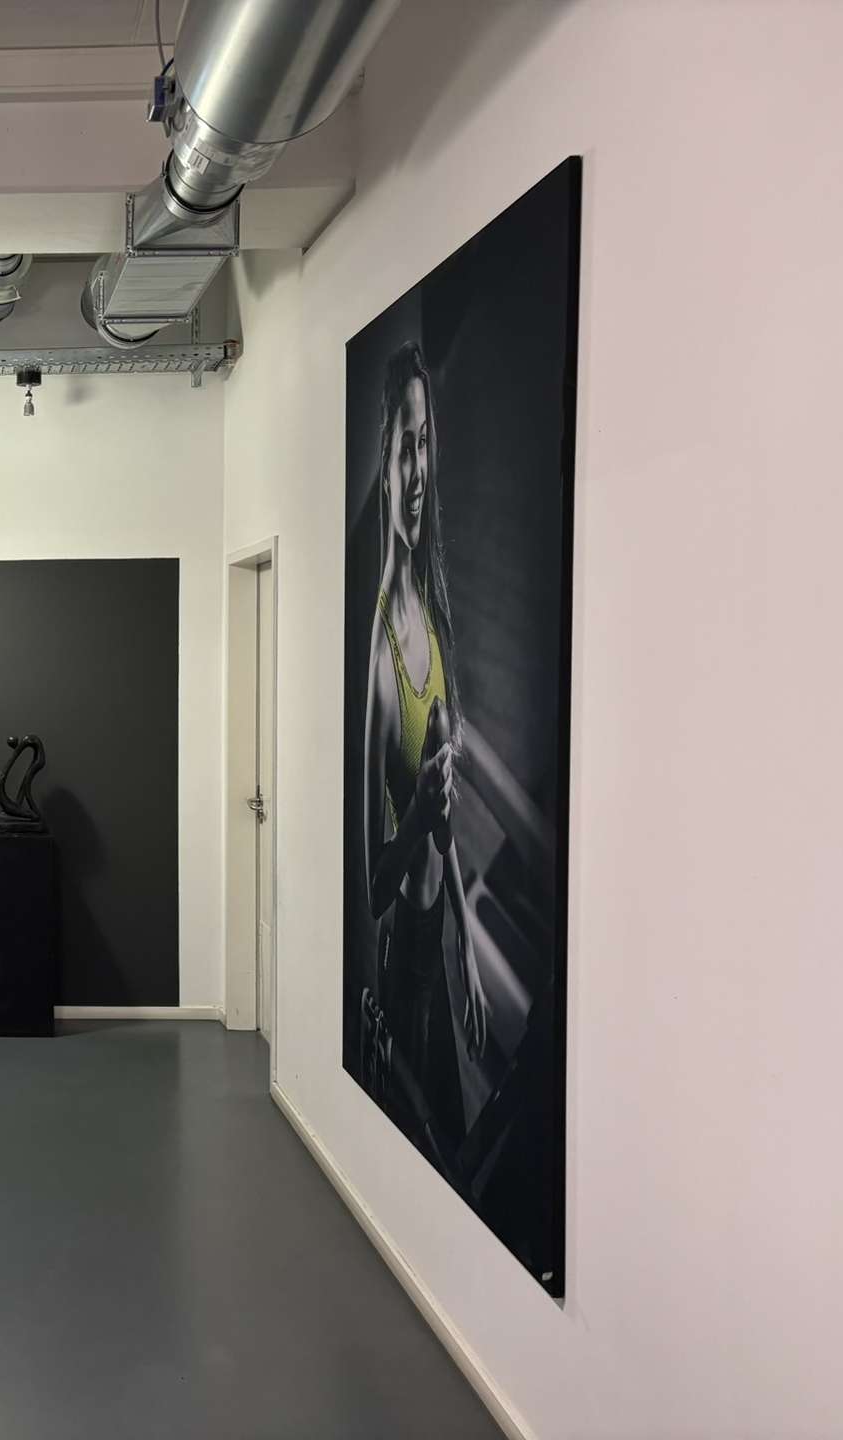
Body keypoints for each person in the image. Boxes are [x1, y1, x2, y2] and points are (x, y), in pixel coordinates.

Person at [359, 341, 488, 1165]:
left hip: (439, 935)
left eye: (426, 440)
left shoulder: (433, 617)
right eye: (405, 445)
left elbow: (442, 816)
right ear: (385, 457)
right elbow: (372, 882)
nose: (417, 468)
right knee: (425, 1147)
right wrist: (420, 818)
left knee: (452, 1149)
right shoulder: (381, 651)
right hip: (403, 952)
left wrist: (467, 942)